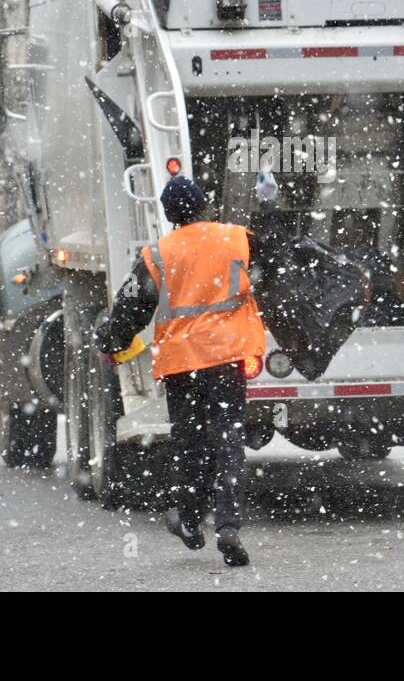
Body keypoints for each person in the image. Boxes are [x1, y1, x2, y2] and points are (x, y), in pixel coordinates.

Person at [94, 173, 281, 567]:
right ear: (204, 206)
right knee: (229, 440)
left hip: (182, 363)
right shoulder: (237, 237)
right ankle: (228, 526)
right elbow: (273, 271)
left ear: (169, 216)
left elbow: (130, 307)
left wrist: (110, 339)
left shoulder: (158, 254)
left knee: (190, 442)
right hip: (228, 357)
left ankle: (190, 519)